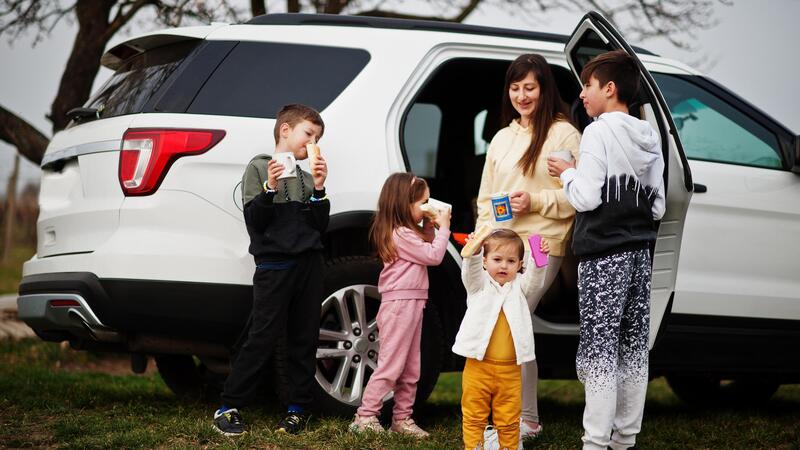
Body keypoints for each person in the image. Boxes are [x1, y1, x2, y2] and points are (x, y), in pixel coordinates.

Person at [547, 49, 666, 450]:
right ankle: (624, 440)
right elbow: (658, 205)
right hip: (640, 254)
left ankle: (595, 443)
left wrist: (568, 173)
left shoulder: (598, 131)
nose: (581, 94)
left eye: (587, 85)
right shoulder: (649, 134)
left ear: (609, 89)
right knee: (633, 347)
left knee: (599, 348)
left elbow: (586, 198)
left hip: (603, 255)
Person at [475, 53, 582, 439]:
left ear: (544, 89)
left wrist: (534, 202)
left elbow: (579, 197)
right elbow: (486, 198)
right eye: (515, 87)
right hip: (500, 246)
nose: (522, 95)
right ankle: (516, 416)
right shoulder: (502, 137)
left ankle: (524, 419)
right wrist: (480, 240)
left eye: (530, 87)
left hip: (541, 243)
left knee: (513, 315)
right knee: (499, 322)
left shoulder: (564, 135)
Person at [212, 104, 329, 436]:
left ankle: (297, 409)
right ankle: (229, 405)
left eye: (318, 138)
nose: (313, 142)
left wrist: (319, 188)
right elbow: (255, 222)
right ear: (285, 130)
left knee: (303, 338)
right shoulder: (259, 167)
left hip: (310, 266)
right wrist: (270, 188)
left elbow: (319, 228)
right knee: (261, 337)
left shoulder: (308, 178)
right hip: (275, 267)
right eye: (309, 134)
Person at [349, 172, 451, 437]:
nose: (427, 206)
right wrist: (445, 228)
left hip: (414, 303)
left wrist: (430, 225)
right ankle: (365, 416)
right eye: (423, 202)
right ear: (404, 204)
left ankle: (402, 419)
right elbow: (434, 255)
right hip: (399, 305)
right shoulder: (401, 234)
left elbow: (427, 243)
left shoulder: (410, 232)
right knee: (391, 365)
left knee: (411, 367)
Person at [454, 229, 547, 450]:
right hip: (478, 367)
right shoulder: (479, 287)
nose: (504, 266)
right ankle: (474, 446)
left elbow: (535, 281)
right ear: (485, 262)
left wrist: (539, 258)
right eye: (497, 259)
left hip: (510, 371)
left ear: (519, 265)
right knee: (474, 413)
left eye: (511, 261)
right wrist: (474, 251)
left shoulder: (520, 288)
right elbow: (471, 272)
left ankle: (509, 446)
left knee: (509, 417)